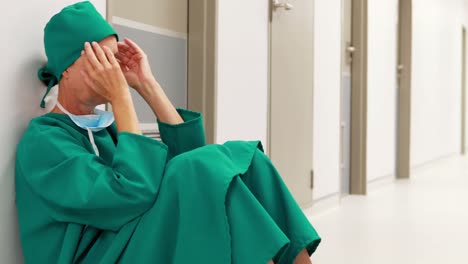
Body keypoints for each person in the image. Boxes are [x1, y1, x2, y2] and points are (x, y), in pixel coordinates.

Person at [15, 2, 320, 264]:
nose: (112, 70)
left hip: (127, 237)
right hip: (98, 255)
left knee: (246, 160)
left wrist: (146, 85)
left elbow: (190, 163)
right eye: (101, 60)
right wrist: (122, 98)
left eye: (114, 59)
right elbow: (130, 193)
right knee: (201, 169)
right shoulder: (44, 143)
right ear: (66, 68)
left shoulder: (104, 129)